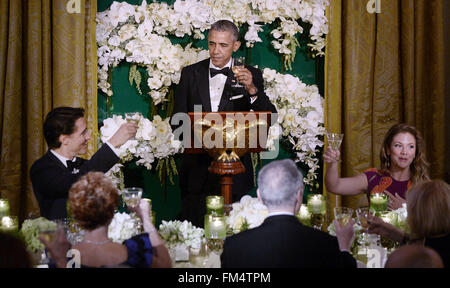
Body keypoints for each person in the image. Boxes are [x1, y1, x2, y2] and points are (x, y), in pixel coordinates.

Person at [173, 20, 277, 227]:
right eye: (211, 44)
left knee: (235, 237)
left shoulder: (251, 75)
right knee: (195, 233)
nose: (215, 51)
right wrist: (206, 144)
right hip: (196, 173)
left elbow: (269, 117)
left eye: (223, 45)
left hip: (236, 172)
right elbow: (177, 121)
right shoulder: (189, 74)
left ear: (235, 46)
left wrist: (253, 90)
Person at [220, 159, 357, 268]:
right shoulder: (327, 244)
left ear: (259, 196)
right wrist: (344, 248)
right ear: (299, 195)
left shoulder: (234, 246)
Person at [40, 172, 171, 268]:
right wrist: (145, 218)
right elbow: (165, 264)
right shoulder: (135, 251)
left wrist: (60, 261)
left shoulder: (62, 255)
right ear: (111, 214)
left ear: (76, 216)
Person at [30, 107, 138, 220]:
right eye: (83, 133)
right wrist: (113, 142)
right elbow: (75, 183)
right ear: (65, 139)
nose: (88, 137)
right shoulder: (41, 169)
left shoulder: (84, 165)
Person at [324, 123, 429, 210]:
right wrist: (332, 163)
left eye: (410, 146)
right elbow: (334, 186)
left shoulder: (423, 185)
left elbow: (433, 225)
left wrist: (406, 208)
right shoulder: (373, 177)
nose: (404, 152)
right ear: (388, 149)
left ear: (415, 152)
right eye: (398, 145)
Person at [368, 180, 450, 267]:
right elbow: (426, 242)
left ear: (419, 217)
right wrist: (395, 233)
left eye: (409, 210)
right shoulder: (440, 240)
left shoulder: (427, 259)